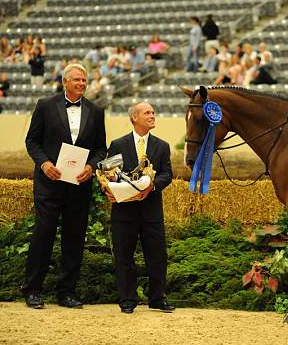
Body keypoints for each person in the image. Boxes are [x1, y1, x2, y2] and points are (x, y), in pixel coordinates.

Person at [22, 63, 107, 309]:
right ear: (65, 81)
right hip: (49, 184)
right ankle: (32, 290)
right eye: (77, 80)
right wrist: (45, 163)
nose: (82, 84)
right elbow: (32, 141)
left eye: (84, 80)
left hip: (79, 186)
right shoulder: (45, 105)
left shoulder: (97, 111)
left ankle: (66, 292)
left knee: (74, 238)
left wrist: (91, 167)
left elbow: (101, 148)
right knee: (43, 235)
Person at [104, 102, 174, 314]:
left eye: (153, 112)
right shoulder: (117, 144)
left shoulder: (162, 146)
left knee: (158, 256)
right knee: (124, 256)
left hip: (151, 211)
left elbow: (167, 174)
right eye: (147, 113)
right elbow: (108, 173)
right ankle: (127, 299)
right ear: (134, 117)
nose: (152, 115)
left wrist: (152, 185)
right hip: (124, 212)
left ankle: (157, 298)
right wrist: (107, 191)